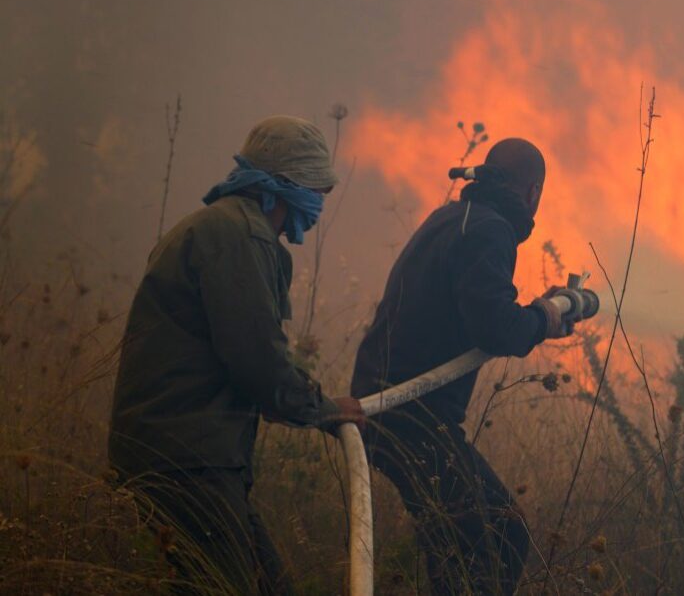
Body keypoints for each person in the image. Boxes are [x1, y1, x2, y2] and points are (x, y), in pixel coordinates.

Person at [108, 115, 365, 595]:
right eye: (317, 190)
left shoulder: (219, 227)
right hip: (188, 458)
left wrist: (299, 401)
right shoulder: (238, 237)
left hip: (186, 454)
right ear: (287, 186)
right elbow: (257, 360)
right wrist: (324, 409)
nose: (320, 201)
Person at [352, 137, 572, 594]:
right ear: (534, 192)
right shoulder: (489, 229)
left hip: (391, 410)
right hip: (408, 415)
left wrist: (536, 316)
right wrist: (543, 319)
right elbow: (497, 329)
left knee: (467, 541)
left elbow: (483, 311)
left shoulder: (453, 217)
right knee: (495, 537)